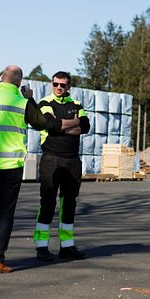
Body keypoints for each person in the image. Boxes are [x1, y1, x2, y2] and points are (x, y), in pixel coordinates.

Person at [0, 65, 76, 274]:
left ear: (0, 78)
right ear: (19, 83)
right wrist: (30, 98)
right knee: (6, 212)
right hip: (11, 166)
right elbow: (42, 123)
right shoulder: (21, 102)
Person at [33, 71, 90, 261]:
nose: (59, 88)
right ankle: (42, 247)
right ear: (52, 84)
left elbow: (86, 126)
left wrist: (63, 126)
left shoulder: (76, 105)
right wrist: (72, 125)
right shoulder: (45, 103)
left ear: (69, 87)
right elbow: (50, 125)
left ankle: (67, 246)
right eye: (56, 84)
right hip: (51, 159)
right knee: (47, 201)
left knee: (69, 203)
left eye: (63, 85)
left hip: (73, 160)